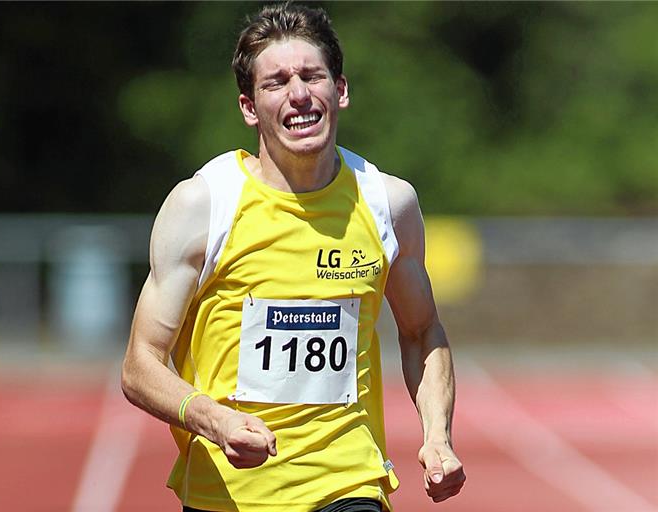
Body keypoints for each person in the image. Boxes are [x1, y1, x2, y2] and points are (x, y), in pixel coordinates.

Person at [121, 3, 465, 511]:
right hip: (230, 493)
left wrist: (437, 434)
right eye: (277, 82)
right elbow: (139, 365)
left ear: (340, 90)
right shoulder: (204, 206)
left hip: (348, 483)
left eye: (312, 76)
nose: (299, 94)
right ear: (249, 107)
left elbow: (421, 331)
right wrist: (214, 420)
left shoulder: (387, 204)